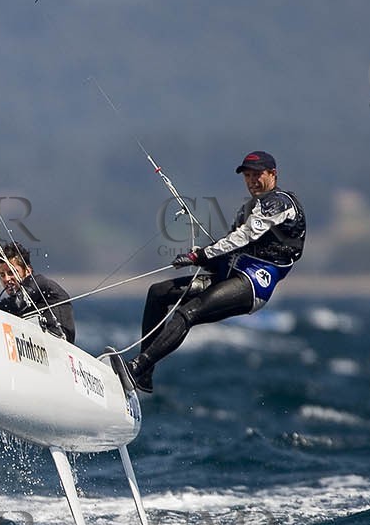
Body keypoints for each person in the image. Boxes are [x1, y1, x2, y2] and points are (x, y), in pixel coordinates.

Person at [125, 150, 304, 392]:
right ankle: (144, 376)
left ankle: (137, 367)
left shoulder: (280, 202)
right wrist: (203, 259)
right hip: (230, 273)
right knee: (158, 293)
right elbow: (233, 249)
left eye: (257, 175)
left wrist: (200, 255)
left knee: (188, 313)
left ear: (273, 174)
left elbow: (244, 237)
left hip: (253, 283)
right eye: (247, 176)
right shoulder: (250, 208)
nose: (252, 181)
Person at [0, 240, 74, 343]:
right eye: (2, 275)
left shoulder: (40, 283)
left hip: (60, 349)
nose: (6, 279)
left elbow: (16, 304)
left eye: (12, 272)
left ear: (28, 271)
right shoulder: (18, 302)